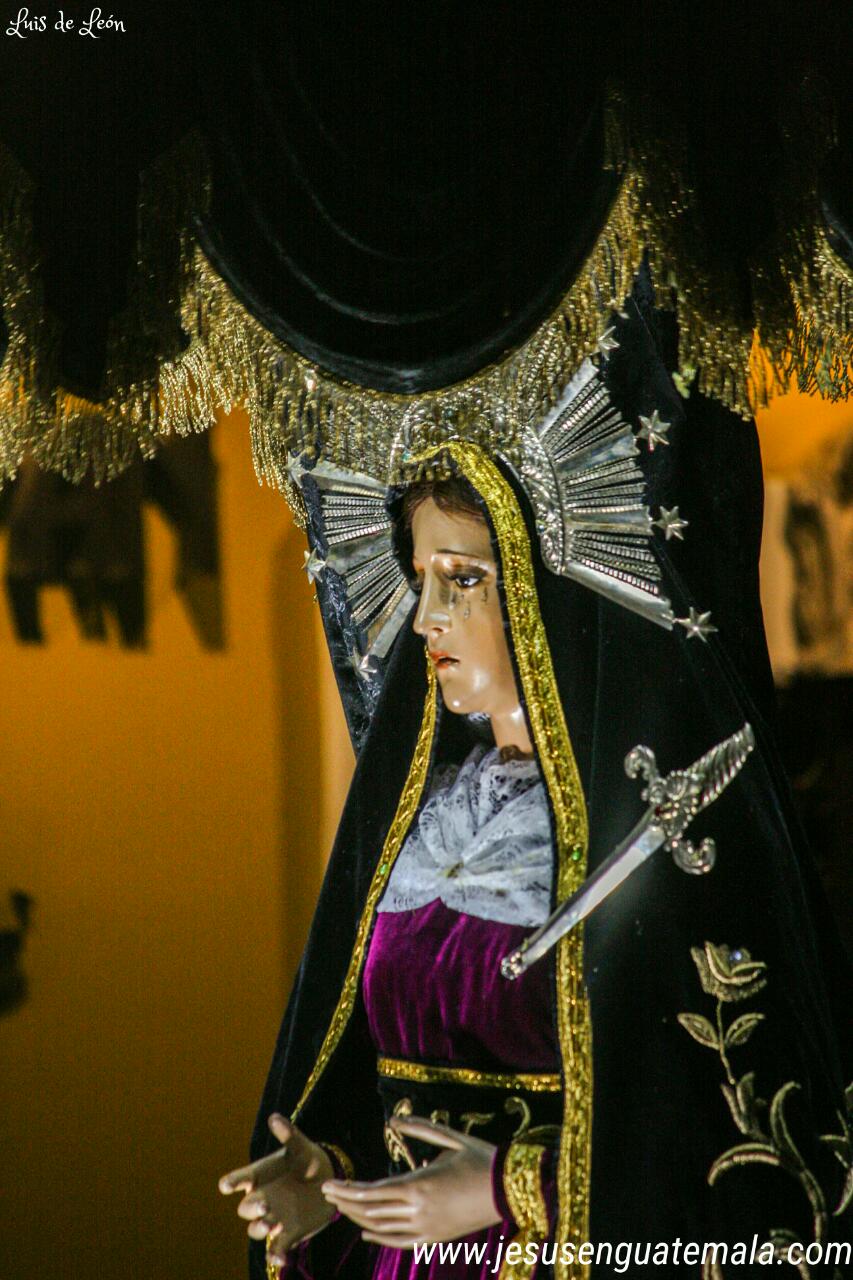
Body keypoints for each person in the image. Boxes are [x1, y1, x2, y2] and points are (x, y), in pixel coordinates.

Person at [220, 298, 853, 1279]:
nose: (424, 616)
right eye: (420, 575)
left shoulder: (660, 833)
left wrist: (510, 1187)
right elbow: (368, 1073)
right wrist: (327, 1171)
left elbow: (735, 1139)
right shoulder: (421, 828)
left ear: (545, 592)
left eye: (464, 578)